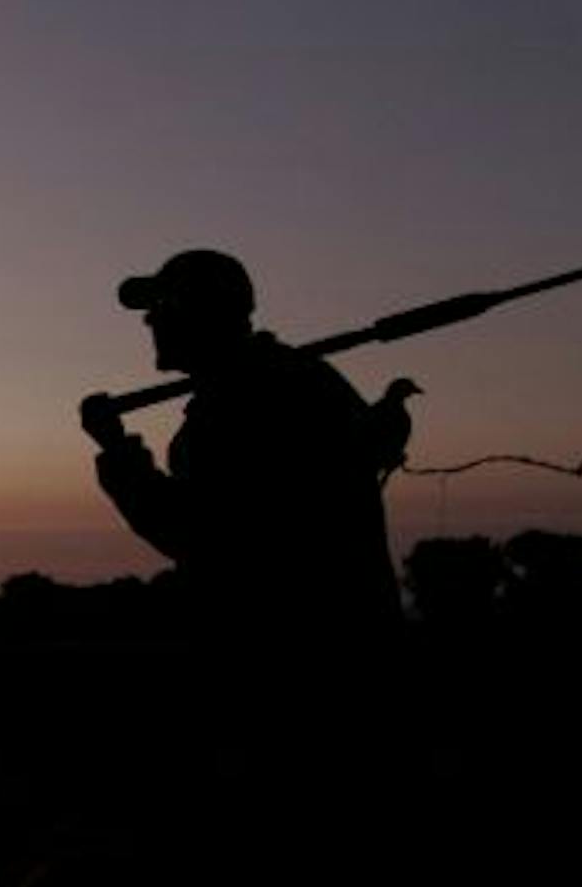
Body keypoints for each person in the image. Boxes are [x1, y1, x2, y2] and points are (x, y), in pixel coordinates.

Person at [80, 249, 401, 640]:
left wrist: (116, 448)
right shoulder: (289, 377)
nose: (150, 320)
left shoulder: (248, 398)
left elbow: (194, 533)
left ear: (198, 311)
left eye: (162, 305)